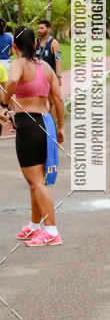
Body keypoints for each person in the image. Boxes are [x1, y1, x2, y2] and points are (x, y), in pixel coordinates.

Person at [1, 26, 65, 246]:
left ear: (14, 46)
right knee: (35, 181)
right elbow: (58, 99)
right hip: (45, 123)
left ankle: (52, 231)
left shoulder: (18, 64)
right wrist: (61, 127)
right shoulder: (46, 67)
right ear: (36, 45)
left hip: (27, 125)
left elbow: (11, 83)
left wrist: (3, 103)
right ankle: (35, 226)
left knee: (37, 182)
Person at [35, 21, 62, 85]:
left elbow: (58, 60)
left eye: (41, 28)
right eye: (38, 28)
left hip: (50, 76)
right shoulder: (36, 42)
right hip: (38, 76)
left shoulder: (54, 43)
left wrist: (58, 76)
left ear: (48, 29)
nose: (39, 30)